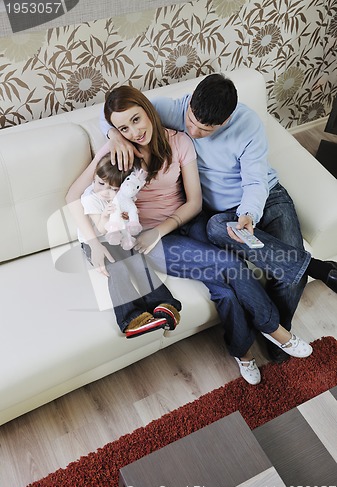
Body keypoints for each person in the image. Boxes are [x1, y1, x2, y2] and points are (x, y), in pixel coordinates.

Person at [67, 85, 313, 386]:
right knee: (231, 267)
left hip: (184, 223)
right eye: (123, 128)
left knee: (224, 288)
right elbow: (72, 196)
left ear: (148, 110)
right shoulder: (117, 153)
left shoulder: (180, 141)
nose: (133, 131)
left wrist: (163, 226)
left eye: (136, 120)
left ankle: (242, 352)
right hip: (154, 240)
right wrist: (94, 243)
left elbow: (195, 202)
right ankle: (274, 329)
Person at [78, 153, 182, 338]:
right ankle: (131, 318)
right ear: (94, 176)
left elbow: (127, 215)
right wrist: (105, 215)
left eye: (112, 189)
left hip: (119, 236)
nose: (104, 191)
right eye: (100, 183)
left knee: (138, 264)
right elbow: (101, 229)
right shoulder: (90, 197)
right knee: (118, 270)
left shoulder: (121, 197)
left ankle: (164, 304)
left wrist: (126, 217)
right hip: (97, 241)